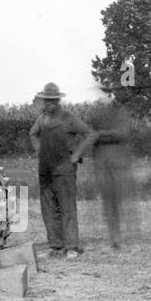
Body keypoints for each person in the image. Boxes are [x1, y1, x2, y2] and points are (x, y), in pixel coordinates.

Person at [28, 82, 97, 260]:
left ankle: (71, 247)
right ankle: (55, 246)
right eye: (46, 100)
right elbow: (33, 133)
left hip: (65, 169)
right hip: (45, 171)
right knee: (49, 209)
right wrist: (39, 150)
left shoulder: (68, 117)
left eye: (52, 100)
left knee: (67, 207)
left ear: (58, 100)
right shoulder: (42, 118)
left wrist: (76, 155)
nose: (49, 104)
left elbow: (90, 134)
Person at [91, 104, 137, 249]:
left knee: (123, 202)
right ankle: (115, 239)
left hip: (120, 167)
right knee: (109, 204)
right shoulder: (98, 115)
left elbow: (123, 133)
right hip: (105, 167)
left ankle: (126, 237)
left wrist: (101, 134)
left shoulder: (123, 114)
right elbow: (90, 136)